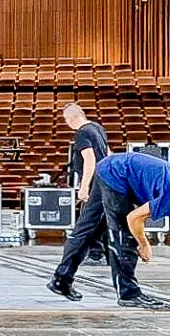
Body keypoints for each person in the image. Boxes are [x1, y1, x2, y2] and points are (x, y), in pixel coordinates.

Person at [90, 145, 170, 309]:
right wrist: (144, 244)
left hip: (124, 170)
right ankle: (128, 294)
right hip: (116, 171)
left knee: (95, 223)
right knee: (124, 236)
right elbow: (134, 217)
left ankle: (65, 275)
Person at [48, 103, 112, 298]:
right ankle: (97, 255)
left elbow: (90, 160)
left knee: (83, 229)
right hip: (106, 182)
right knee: (102, 225)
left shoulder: (82, 133)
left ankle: (62, 278)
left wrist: (84, 187)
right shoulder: (97, 128)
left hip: (94, 185)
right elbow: (108, 154)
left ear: (70, 119)